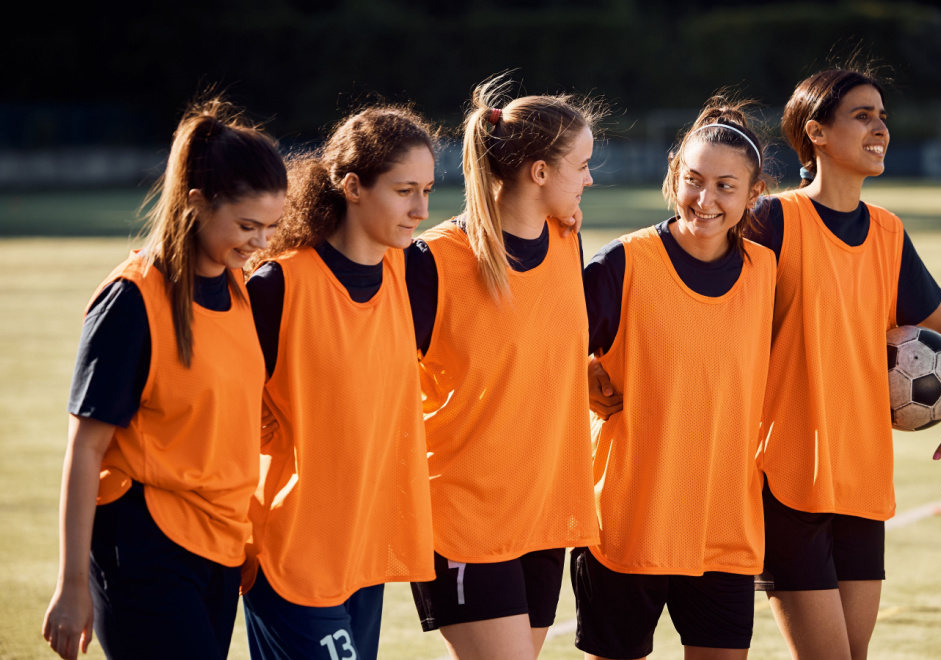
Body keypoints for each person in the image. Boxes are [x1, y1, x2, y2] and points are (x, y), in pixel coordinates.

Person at [750, 67, 941, 660]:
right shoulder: (774, 223)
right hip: (788, 482)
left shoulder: (888, 232)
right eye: (862, 115)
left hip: (861, 481)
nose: (879, 126)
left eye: (882, 115)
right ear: (818, 133)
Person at [41, 98, 287, 660]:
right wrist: (72, 584)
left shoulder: (239, 291)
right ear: (197, 203)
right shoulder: (131, 300)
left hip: (222, 550)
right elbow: (85, 450)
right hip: (145, 546)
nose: (260, 244)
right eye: (247, 226)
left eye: (270, 227)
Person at [407, 74, 601, 660]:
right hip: (466, 515)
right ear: (539, 172)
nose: (591, 179)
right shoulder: (434, 261)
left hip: (543, 510)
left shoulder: (567, 240)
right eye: (583, 165)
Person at [577, 97, 774, 660]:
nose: (704, 200)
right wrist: (580, 371)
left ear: (753, 195)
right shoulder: (623, 265)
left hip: (725, 527)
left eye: (725, 187)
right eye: (692, 180)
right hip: (627, 524)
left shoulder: (767, 273)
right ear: (673, 178)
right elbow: (540, 349)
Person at [241, 106, 438, 660]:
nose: (421, 209)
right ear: (352, 186)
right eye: (404, 191)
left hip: (362, 556)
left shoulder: (412, 275)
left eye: (426, 189)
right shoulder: (278, 285)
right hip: (292, 554)